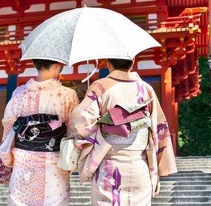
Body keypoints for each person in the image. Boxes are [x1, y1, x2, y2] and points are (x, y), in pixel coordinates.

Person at [71, 58, 177, 205]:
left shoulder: (100, 87)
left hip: (108, 166)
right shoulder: (145, 88)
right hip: (140, 166)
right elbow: (158, 126)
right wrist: (158, 170)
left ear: (108, 64)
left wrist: (99, 125)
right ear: (132, 62)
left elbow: (81, 121)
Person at [1, 59, 79, 205]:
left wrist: (7, 157)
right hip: (54, 159)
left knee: (21, 201)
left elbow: (9, 124)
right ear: (57, 66)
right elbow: (74, 127)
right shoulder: (68, 94)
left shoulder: (18, 93)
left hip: (24, 159)